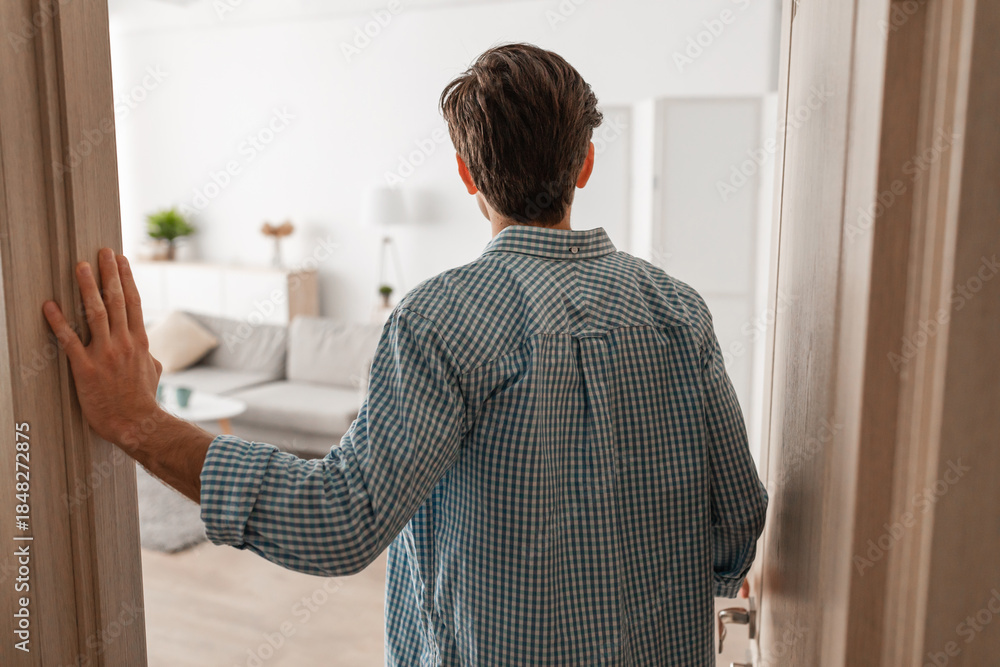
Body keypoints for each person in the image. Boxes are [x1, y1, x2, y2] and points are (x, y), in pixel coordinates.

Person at [43, 43, 767, 666]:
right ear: (585, 164)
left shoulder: (440, 319)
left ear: (466, 176)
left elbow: (339, 522)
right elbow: (738, 511)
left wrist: (137, 418)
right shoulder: (679, 310)